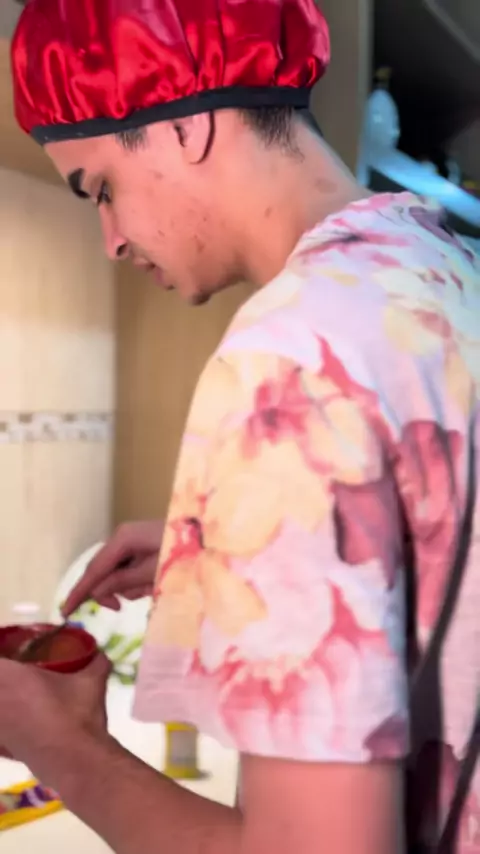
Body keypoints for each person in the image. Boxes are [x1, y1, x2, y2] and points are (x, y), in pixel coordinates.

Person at [2, 1, 478, 852]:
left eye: (101, 188)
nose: (110, 239)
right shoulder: (442, 268)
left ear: (183, 125)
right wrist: (232, 547)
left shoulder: (289, 355)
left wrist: (60, 746)